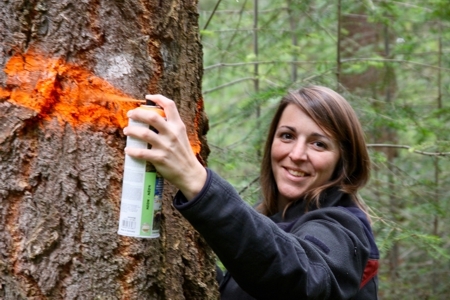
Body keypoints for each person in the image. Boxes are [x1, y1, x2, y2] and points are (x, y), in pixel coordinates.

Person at [123, 85, 379, 300]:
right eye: (287, 136)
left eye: (318, 144)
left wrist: (195, 179)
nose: (297, 155)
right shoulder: (274, 223)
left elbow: (304, 279)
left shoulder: (345, 226)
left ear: (342, 161)